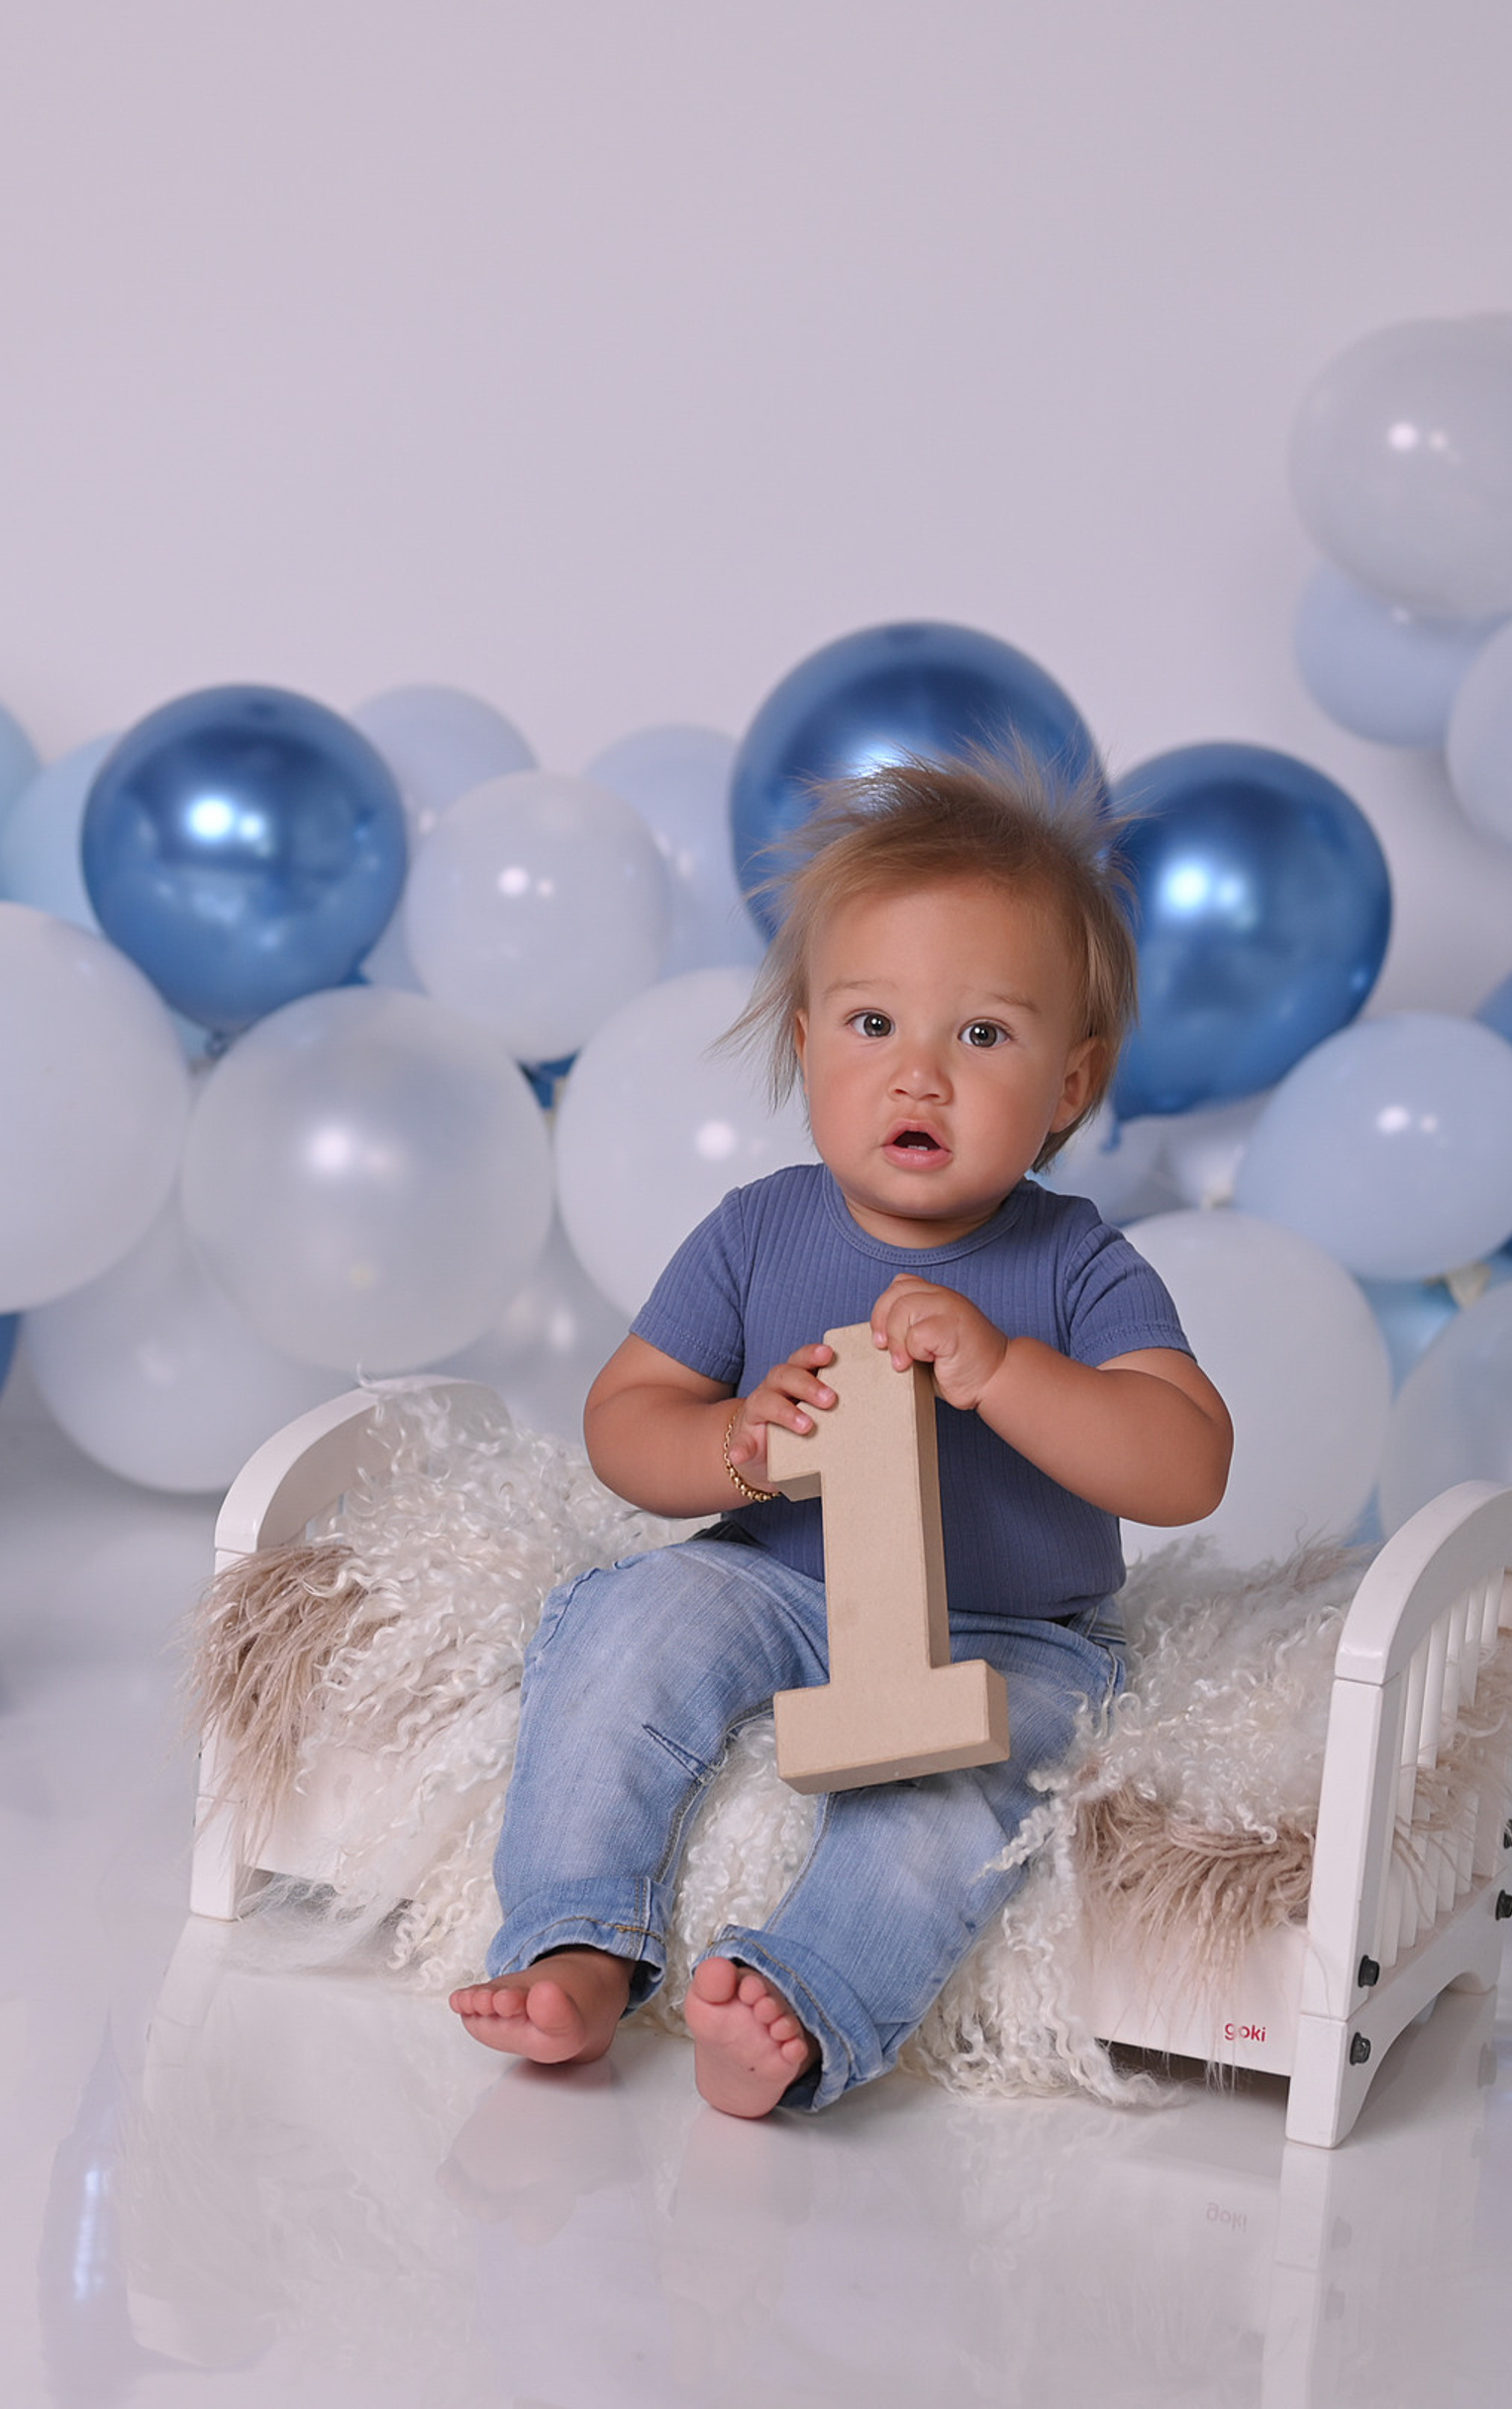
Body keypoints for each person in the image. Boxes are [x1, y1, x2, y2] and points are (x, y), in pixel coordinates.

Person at [450, 753, 1234, 2118]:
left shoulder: (1071, 1260)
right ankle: (576, 1937)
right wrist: (734, 1448)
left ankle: (805, 1999)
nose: (918, 1074)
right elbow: (623, 1423)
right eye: (873, 1023)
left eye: (983, 1036)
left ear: (1069, 1083)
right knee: (625, 1627)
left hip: (1006, 1631)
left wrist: (1007, 1372)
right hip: (774, 1576)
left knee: (953, 1793)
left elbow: (1185, 1460)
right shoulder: (761, 1231)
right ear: (806, 1040)